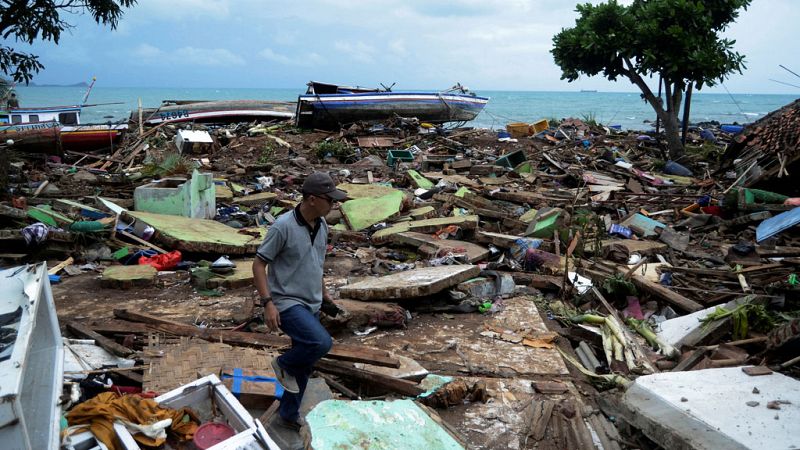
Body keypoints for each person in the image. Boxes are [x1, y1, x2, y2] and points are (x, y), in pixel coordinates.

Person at [252, 171, 346, 431]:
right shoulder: (283, 227)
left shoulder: (322, 226)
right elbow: (259, 265)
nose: (334, 205)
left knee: (303, 367)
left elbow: (317, 264)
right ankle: (282, 363)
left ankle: (288, 414)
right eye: (331, 200)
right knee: (320, 342)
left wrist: (324, 295)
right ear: (313, 199)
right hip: (287, 301)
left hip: (312, 301)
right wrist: (267, 303)